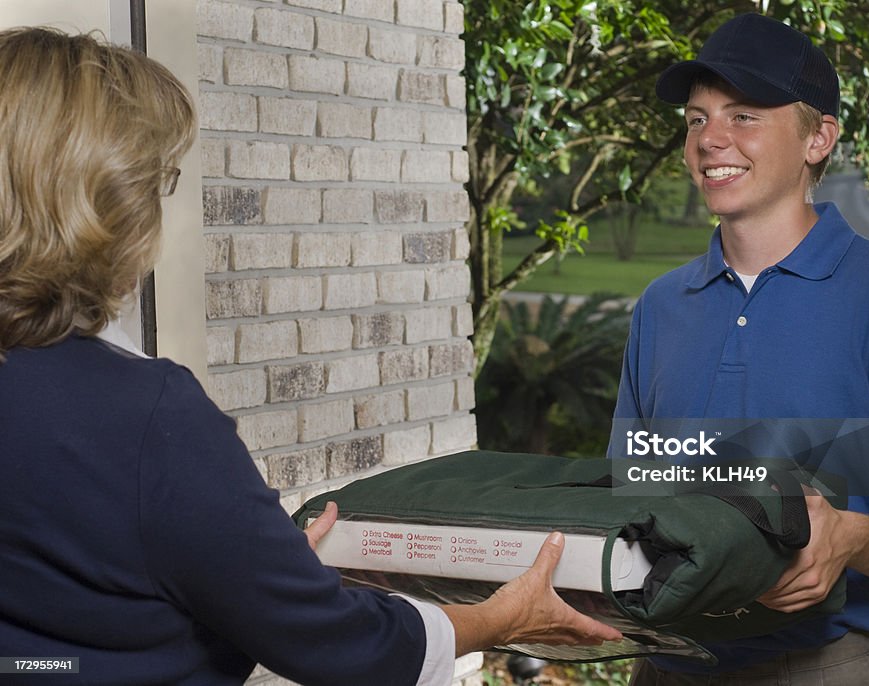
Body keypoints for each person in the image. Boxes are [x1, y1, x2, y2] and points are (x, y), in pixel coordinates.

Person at [0, 27, 621, 686]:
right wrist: (499, 619)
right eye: (156, 181)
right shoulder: (146, 419)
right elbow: (348, 649)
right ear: (107, 204)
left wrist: (262, 571)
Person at [610, 13, 869, 685]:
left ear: (819, 138)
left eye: (744, 115)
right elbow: (629, 499)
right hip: (665, 665)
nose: (710, 140)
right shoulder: (661, 309)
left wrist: (853, 539)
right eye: (696, 119)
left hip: (826, 665)